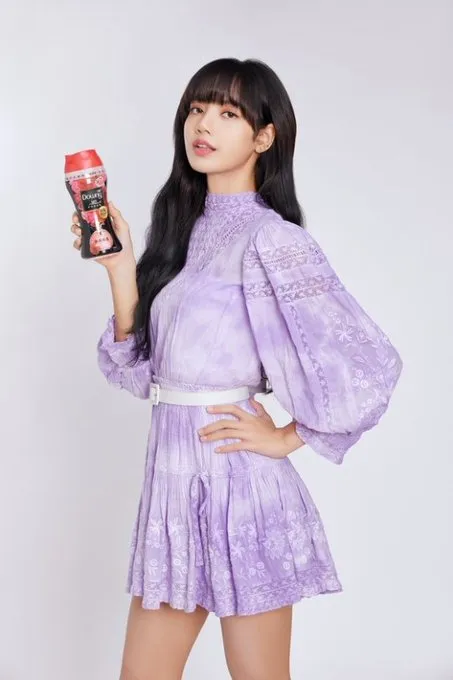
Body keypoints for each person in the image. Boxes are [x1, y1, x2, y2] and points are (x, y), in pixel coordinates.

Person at [70, 57, 403, 680]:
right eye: (197, 109)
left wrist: (290, 436)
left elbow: (366, 363)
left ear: (264, 136)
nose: (204, 124)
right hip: (173, 489)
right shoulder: (183, 232)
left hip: (241, 490)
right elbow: (140, 373)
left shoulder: (273, 240)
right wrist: (120, 268)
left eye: (228, 113)